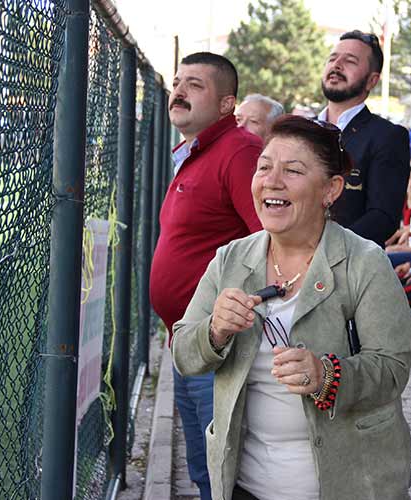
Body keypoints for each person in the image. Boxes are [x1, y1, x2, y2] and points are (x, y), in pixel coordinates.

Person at [172, 115, 411, 500]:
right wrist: (214, 331)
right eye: (264, 167)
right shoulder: (230, 259)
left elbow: (393, 368)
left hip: (347, 485)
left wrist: (326, 375)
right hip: (244, 485)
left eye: (293, 170)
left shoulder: (365, 262)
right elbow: (184, 352)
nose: (272, 181)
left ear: (331, 189)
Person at [149, 52, 263, 500]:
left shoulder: (239, 152)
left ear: (226, 104)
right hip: (188, 345)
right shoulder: (197, 153)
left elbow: (270, 239)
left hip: (220, 351)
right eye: (178, 82)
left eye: (195, 85)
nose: (178, 91)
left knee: (224, 475)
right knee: (203, 470)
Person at [318, 30, 410, 247]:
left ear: (372, 80)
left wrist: (323, 249)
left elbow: (383, 217)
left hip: (348, 268)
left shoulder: (388, 136)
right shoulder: (301, 130)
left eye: (350, 61)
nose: (337, 65)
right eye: (332, 58)